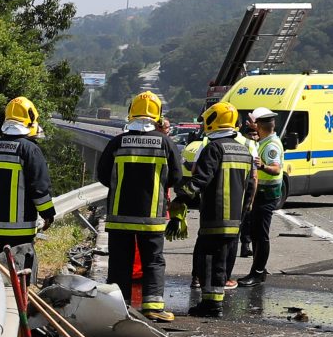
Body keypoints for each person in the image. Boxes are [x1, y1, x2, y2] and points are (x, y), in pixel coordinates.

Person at [95, 90, 182, 319]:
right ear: (158, 115)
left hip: (119, 216)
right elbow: (176, 177)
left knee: (119, 262)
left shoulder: (117, 142)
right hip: (151, 217)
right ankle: (153, 308)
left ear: (130, 113)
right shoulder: (165, 143)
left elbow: (103, 175)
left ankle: (118, 308)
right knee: (153, 261)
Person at [180, 100, 255, 316]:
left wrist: (182, 197)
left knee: (209, 260)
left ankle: (211, 305)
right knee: (223, 261)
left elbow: (201, 179)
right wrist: (243, 213)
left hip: (215, 216)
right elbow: (250, 186)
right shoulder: (243, 150)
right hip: (235, 219)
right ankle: (216, 303)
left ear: (214, 121)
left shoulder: (213, 148)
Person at [0, 95, 54, 278]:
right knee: (20, 277)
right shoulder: (29, 150)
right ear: (29, 121)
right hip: (20, 232)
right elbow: (39, 188)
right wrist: (48, 214)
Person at [241, 109, 285, 278]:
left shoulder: (271, 145)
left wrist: (262, 166)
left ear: (259, 126)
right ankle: (258, 269)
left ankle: (258, 272)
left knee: (260, 235)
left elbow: (275, 169)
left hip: (266, 195)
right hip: (262, 194)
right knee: (256, 233)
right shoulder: (265, 140)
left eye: (254, 123)